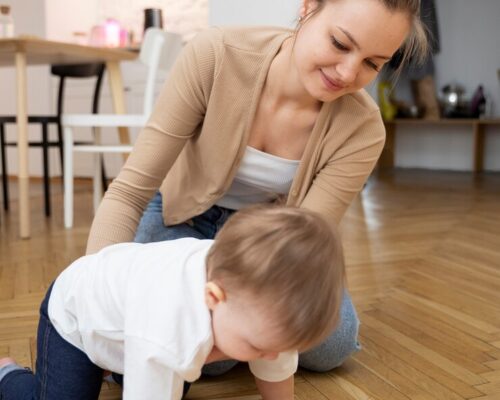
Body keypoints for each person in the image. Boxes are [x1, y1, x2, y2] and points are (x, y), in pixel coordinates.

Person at [85, 0, 428, 375]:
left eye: (372, 64)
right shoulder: (215, 56)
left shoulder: (362, 128)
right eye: (340, 44)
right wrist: (97, 301)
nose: (347, 73)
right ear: (308, 7)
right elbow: (129, 191)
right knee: (206, 340)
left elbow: (304, 237)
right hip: (180, 214)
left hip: (269, 239)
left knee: (334, 343)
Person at [0, 206, 345, 400]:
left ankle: (120, 368)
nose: (271, 355)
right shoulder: (165, 329)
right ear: (214, 296)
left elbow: (276, 365)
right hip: (75, 318)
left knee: (165, 373)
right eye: (258, 346)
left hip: (131, 323)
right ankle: (8, 374)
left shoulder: (266, 305)